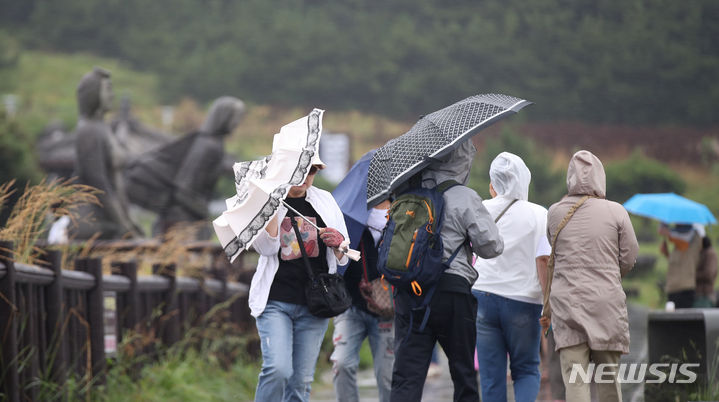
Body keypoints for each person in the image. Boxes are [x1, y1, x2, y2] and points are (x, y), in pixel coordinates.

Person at [391, 140, 504, 402]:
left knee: (407, 375)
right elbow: (492, 247)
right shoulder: (464, 196)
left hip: (410, 292)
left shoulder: (407, 192)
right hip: (452, 292)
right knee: (463, 372)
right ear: (462, 160)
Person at [250, 152, 351, 402]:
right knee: (278, 370)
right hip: (275, 301)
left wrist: (339, 244)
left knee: (301, 383)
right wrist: (272, 208)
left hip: (314, 303)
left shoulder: (325, 201)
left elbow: (344, 255)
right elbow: (266, 249)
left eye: (313, 171)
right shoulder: (270, 202)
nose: (306, 177)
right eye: (300, 170)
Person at [542, 150, 638, 402]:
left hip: (568, 305)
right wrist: (608, 275)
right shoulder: (617, 212)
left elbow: (555, 249)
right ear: (600, 177)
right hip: (605, 304)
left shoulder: (554, 213)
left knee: (575, 382)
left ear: (570, 177)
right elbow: (629, 257)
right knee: (608, 383)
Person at [472, 152, 550, 402]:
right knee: (526, 369)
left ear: (493, 183)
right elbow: (545, 260)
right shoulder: (540, 214)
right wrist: (548, 303)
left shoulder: (480, 209)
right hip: (524, 301)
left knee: (491, 376)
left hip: (482, 295)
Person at [331, 200, 394, 402]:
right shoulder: (349, 216)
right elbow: (337, 262)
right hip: (350, 305)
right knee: (341, 363)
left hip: (388, 308)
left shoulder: (401, 214)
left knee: (388, 375)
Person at [71, 67, 142, 239]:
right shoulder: (89, 130)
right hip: (93, 220)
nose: (112, 95)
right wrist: (123, 224)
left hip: (110, 217)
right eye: (107, 89)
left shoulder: (102, 128)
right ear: (93, 94)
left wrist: (128, 220)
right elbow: (98, 184)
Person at [659, 223, 703, 308]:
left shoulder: (693, 236)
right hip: (673, 288)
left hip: (684, 289)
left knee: (683, 319)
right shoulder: (679, 245)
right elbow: (678, 263)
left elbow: (684, 238)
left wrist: (666, 231)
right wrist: (667, 253)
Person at [695, 236, 718, 307]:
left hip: (705, 294)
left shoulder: (710, 254)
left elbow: (709, 274)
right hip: (700, 294)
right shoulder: (704, 253)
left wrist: (693, 275)